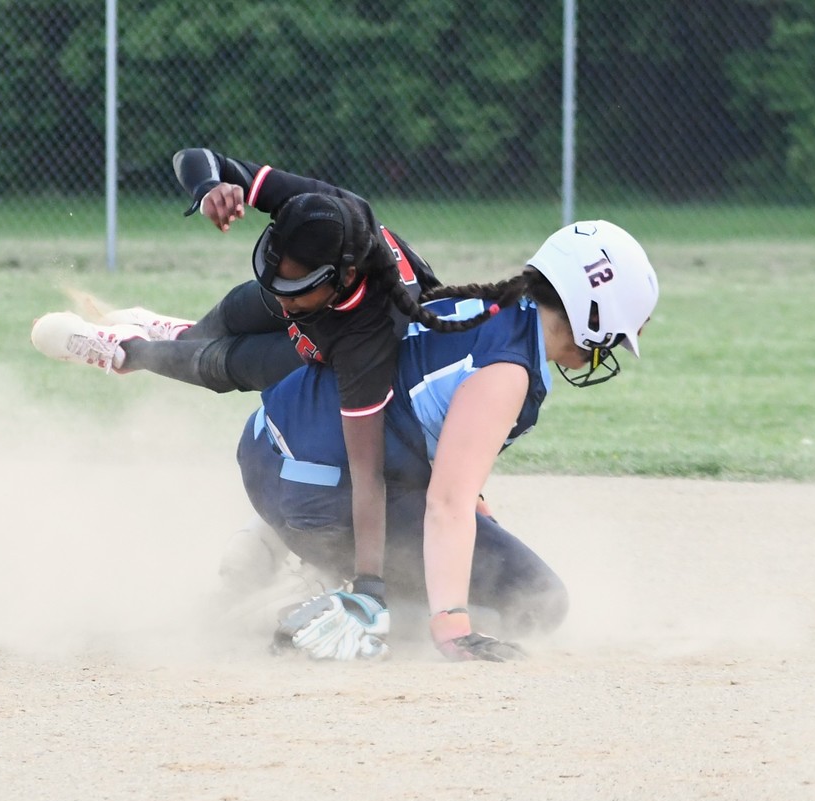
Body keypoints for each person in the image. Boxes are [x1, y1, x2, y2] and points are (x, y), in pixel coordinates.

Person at [32, 148, 516, 604]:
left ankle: (125, 352)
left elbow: (368, 474)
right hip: (320, 314)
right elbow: (195, 157)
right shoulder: (325, 214)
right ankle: (174, 333)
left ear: (343, 276)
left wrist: (369, 585)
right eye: (274, 274)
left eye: (295, 286)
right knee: (218, 325)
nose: (281, 294)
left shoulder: (369, 337)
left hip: (326, 349)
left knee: (221, 366)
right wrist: (209, 187)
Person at [237, 220, 660, 662]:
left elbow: (426, 432)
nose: (607, 350)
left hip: (269, 455)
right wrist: (454, 629)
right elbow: (445, 504)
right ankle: (330, 611)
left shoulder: (488, 307)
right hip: (316, 496)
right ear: (594, 316)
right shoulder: (509, 369)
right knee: (535, 600)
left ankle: (270, 545)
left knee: (482, 549)